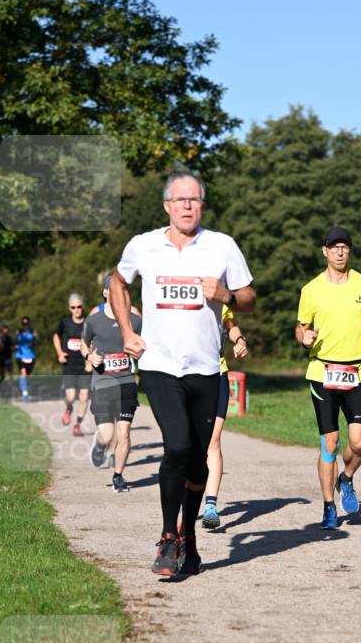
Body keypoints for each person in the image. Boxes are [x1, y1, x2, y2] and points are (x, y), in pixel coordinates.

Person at [109, 169, 256, 577]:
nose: (187, 206)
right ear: (167, 206)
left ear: (202, 206)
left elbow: (249, 298)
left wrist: (226, 295)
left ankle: (188, 537)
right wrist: (126, 332)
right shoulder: (143, 245)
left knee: (196, 462)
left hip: (206, 369)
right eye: (180, 200)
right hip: (159, 366)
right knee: (176, 445)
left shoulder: (222, 246)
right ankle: (167, 536)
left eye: (194, 200)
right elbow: (117, 284)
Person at [295, 226, 361, 530]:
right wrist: (303, 338)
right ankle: (328, 508)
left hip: (356, 372)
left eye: (344, 247)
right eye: (334, 247)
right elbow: (301, 326)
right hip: (322, 371)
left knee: (359, 443)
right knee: (331, 443)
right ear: (324, 251)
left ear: (350, 251)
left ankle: (346, 478)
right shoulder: (311, 289)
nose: (339, 252)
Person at [82, 275, 142, 493]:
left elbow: (145, 345)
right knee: (107, 435)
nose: (119, 294)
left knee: (123, 433)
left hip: (126, 382)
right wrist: (89, 356)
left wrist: (140, 352)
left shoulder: (135, 321)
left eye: (123, 291)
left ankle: (118, 476)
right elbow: (84, 343)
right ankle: (100, 444)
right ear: (106, 292)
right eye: (114, 289)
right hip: (102, 383)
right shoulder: (94, 320)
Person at [201, 305, 249, 530]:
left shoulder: (220, 301)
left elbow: (230, 325)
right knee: (187, 443)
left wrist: (239, 340)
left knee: (213, 441)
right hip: (186, 376)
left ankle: (210, 506)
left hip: (217, 374)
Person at [53, 294, 91, 436]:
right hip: (69, 364)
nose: (76, 310)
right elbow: (56, 336)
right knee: (71, 396)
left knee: (84, 396)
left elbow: (94, 341)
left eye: (79, 307)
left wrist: (90, 359)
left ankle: (77, 425)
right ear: (69, 308)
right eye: (73, 307)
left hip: (84, 365)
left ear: (83, 307)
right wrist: (60, 353)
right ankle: (68, 408)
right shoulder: (65, 322)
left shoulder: (88, 323)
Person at [15, 317, 38, 401]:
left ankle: (26, 390)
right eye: (24, 324)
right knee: (23, 373)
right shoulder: (18, 332)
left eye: (27, 323)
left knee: (27, 376)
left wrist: (33, 343)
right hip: (20, 355)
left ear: (29, 323)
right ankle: (25, 393)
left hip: (30, 356)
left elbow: (37, 342)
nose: (25, 325)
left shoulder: (32, 332)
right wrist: (15, 346)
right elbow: (15, 342)